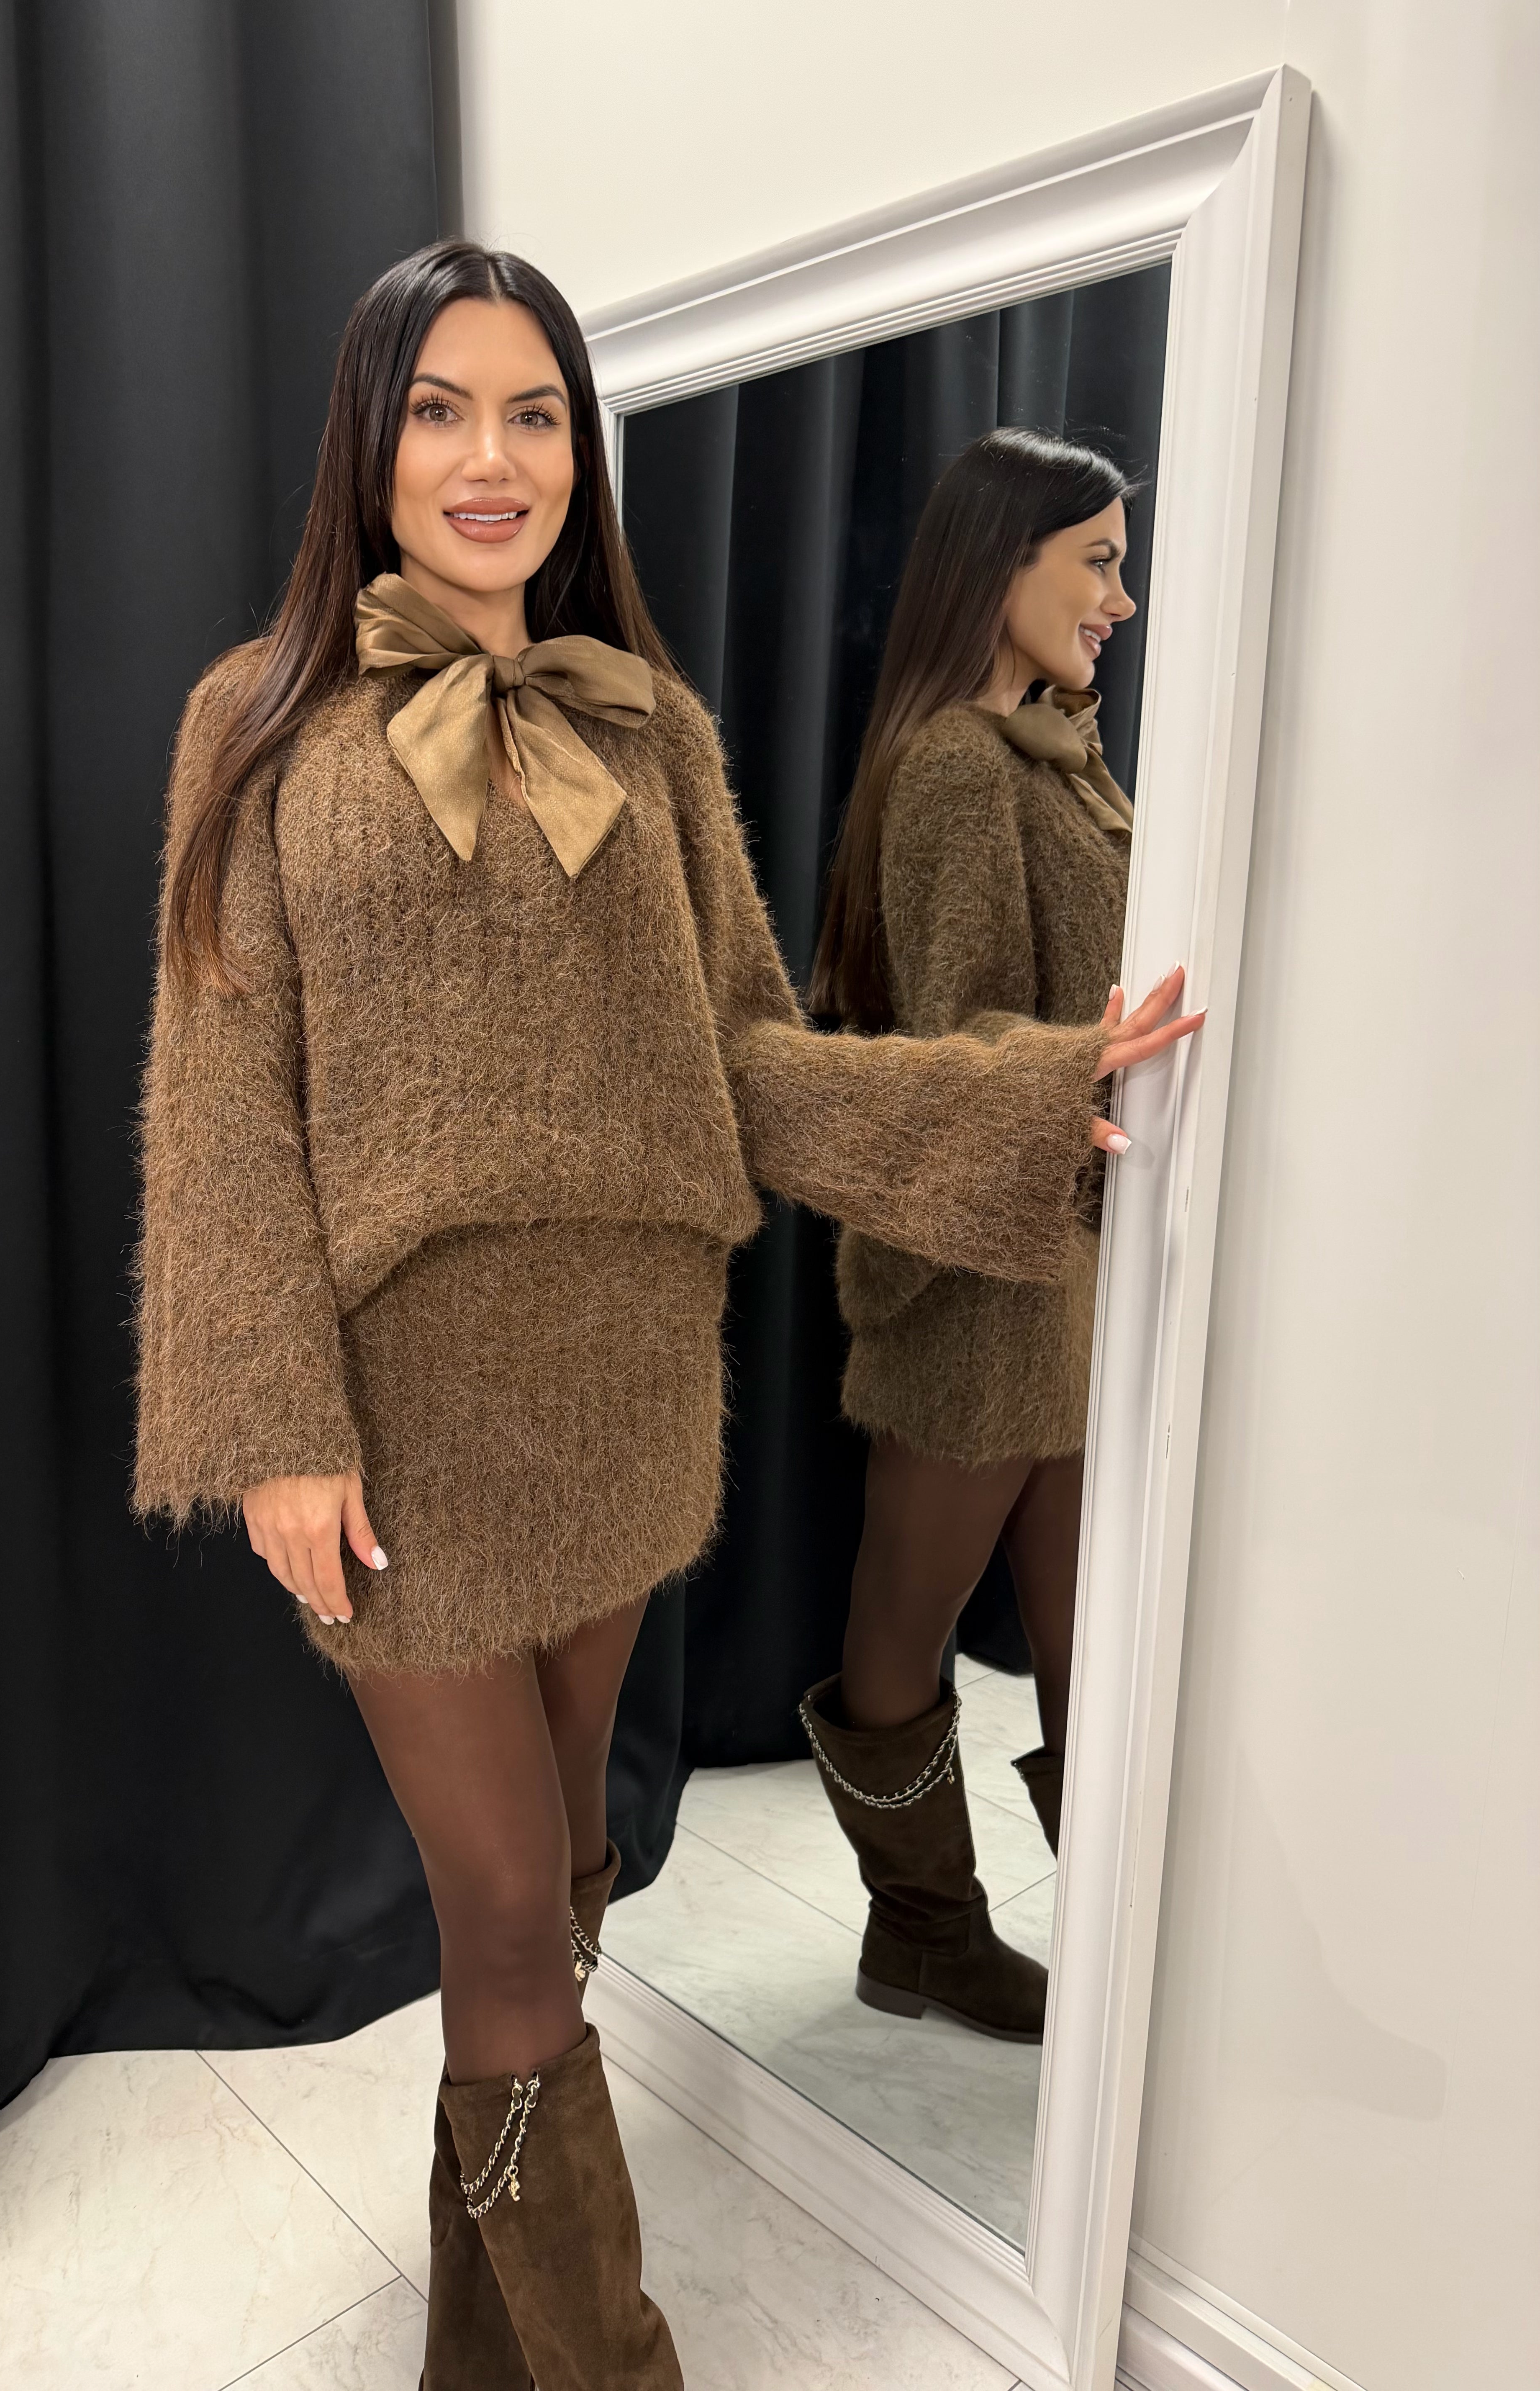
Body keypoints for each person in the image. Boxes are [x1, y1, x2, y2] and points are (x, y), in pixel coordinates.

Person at [133, 249, 1197, 2388]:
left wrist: (1025, 1092)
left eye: (535, 413)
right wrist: (273, 1421)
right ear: (370, 441)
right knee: (510, 1915)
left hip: (623, 1389)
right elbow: (227, 1097)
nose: (493, 458)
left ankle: (478, 2361)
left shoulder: (654, 728)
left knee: (559, 1884)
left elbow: (752, 1065)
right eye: (443, 409)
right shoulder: (259, 724)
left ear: (578, 452)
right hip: (403, 1424)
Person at [803, 427, 1196, 2044]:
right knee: (904, 1627)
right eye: (1095, 559)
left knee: (1087, 1627)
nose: (1120, 597)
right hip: (975, 1276)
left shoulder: (1057, 753)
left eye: (1120, 562)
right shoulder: (961, 767)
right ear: (1000, 562)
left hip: (1074, 1268)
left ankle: (1128, 1974)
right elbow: (959, 1043)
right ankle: (924, 1932)